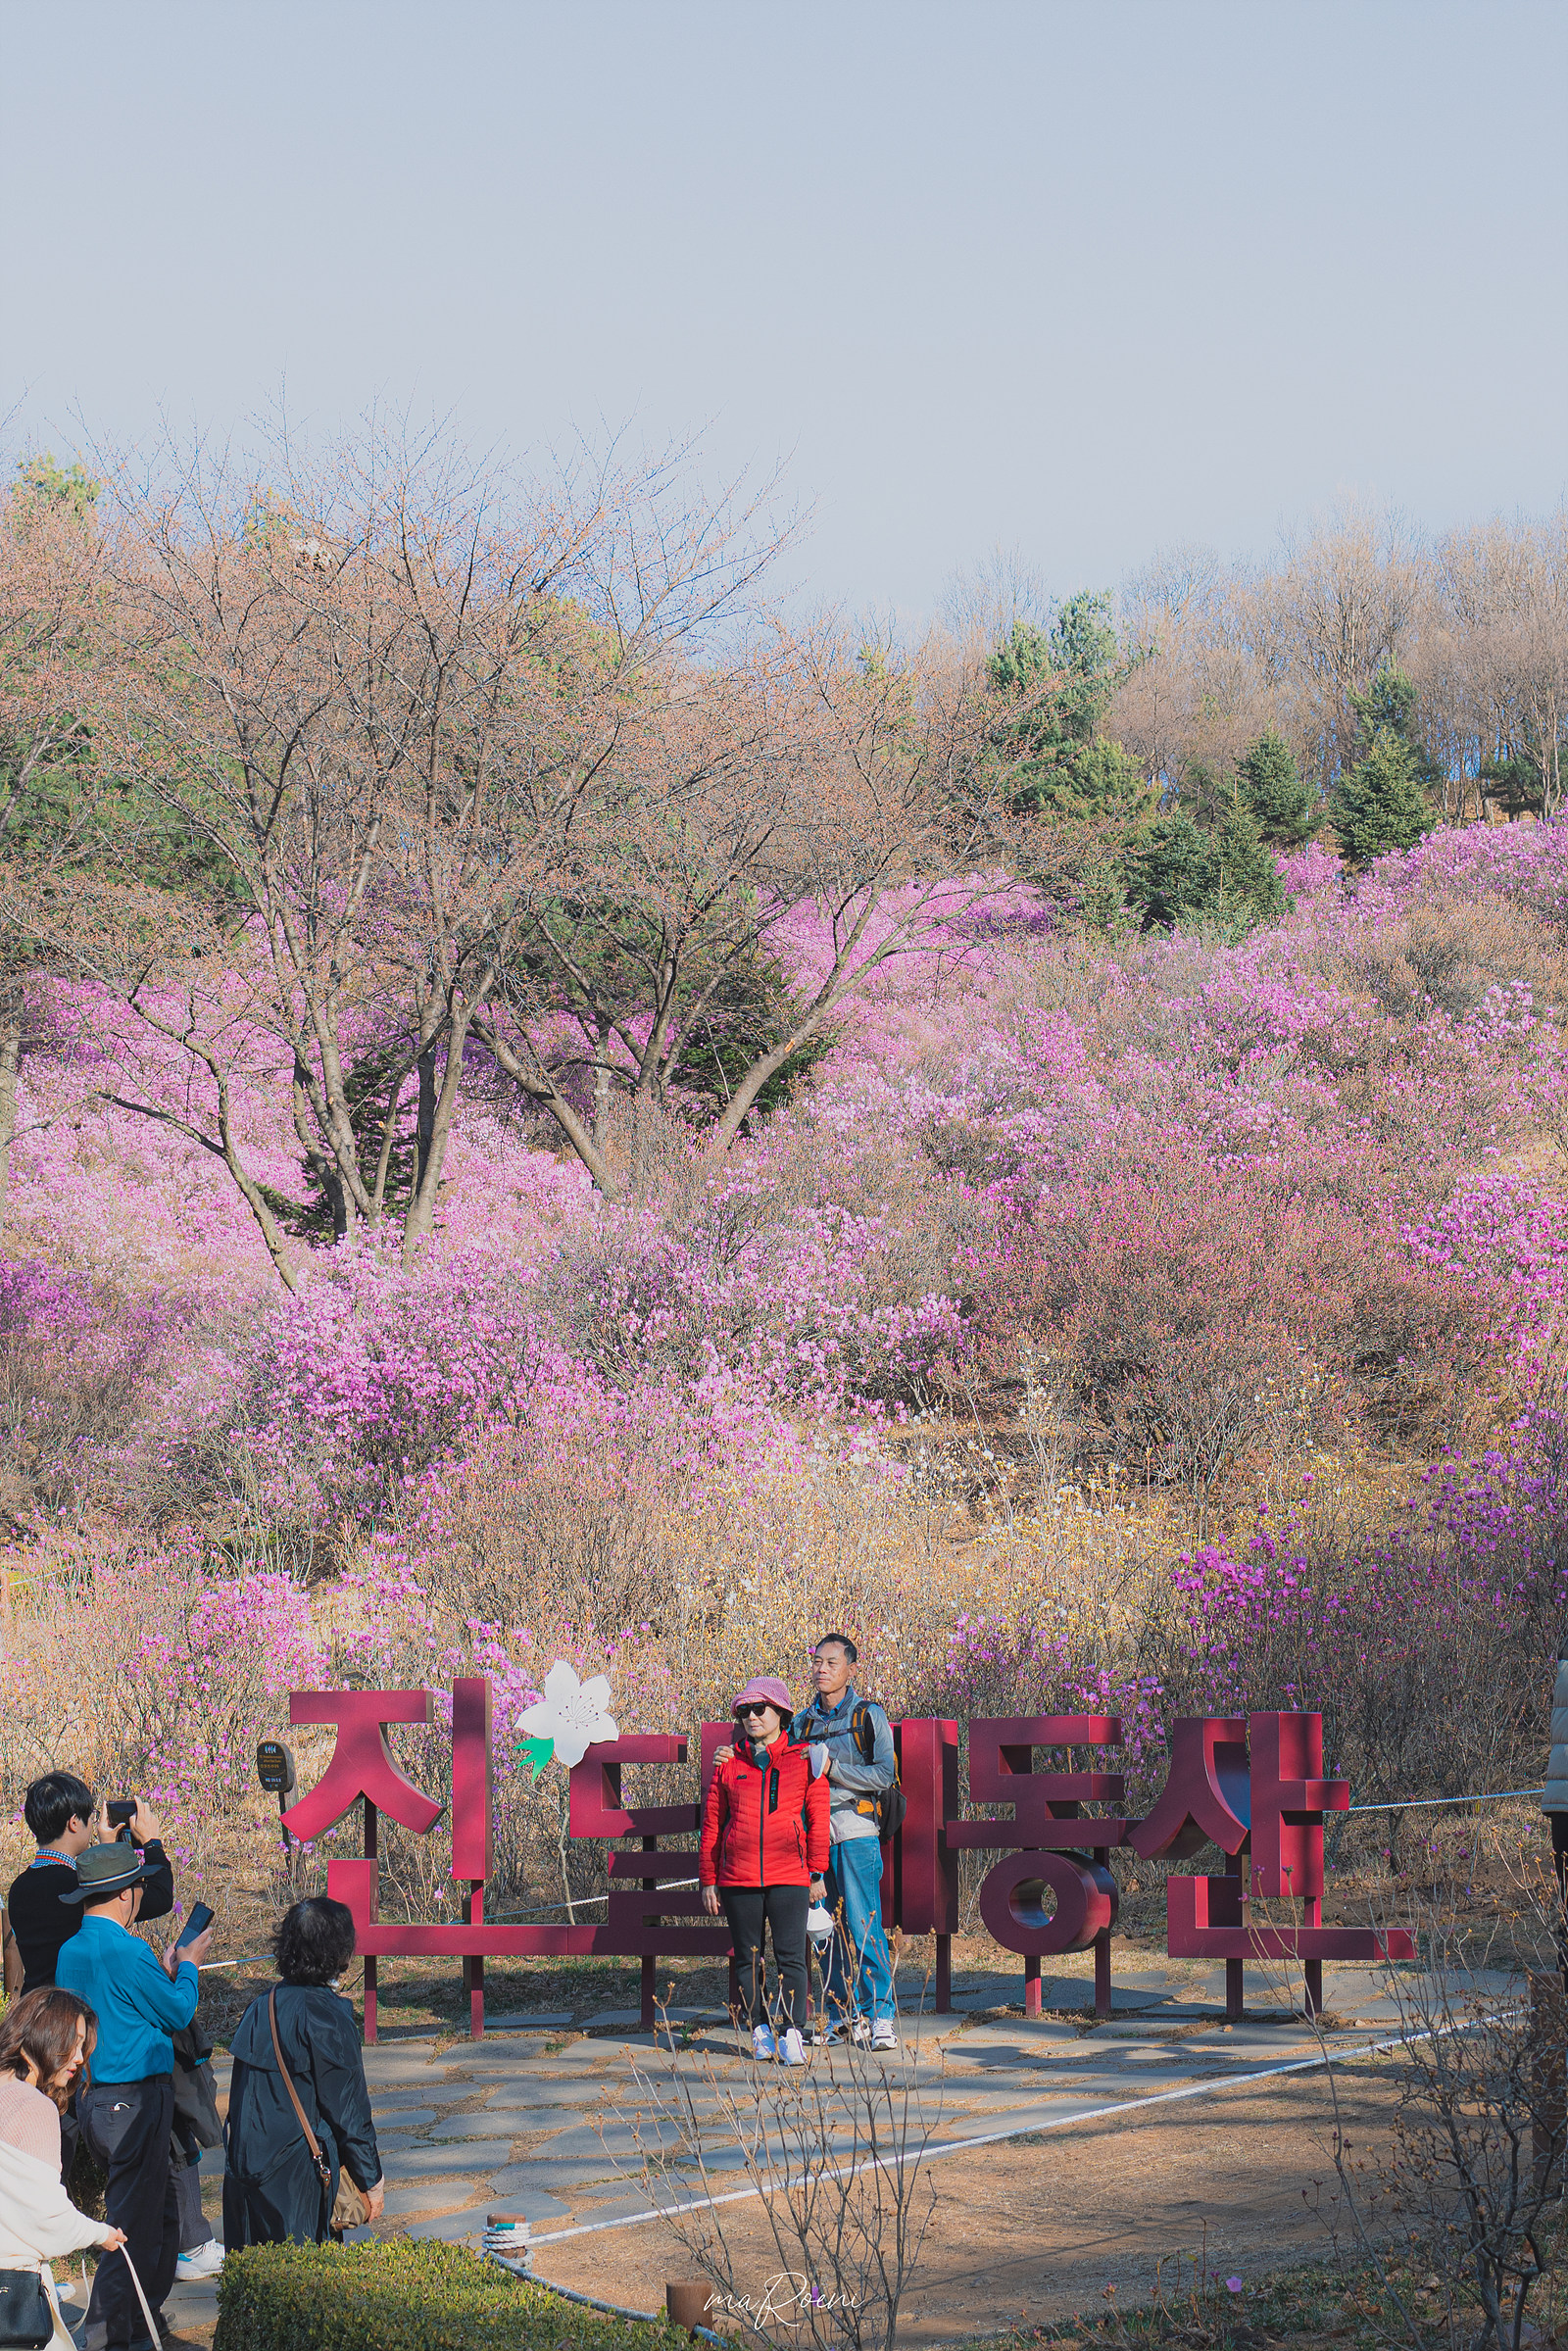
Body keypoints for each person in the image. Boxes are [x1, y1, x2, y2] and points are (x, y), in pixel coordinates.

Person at [54, 1841, 211, 2351]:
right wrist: (188, 1965)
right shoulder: (127, 1951)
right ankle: (105, 2338)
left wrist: (160, 1976)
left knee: (159, 2217)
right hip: (135, 2104)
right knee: (129, 2230)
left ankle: (141, 2323)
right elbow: (177, 2011)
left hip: (96, 2101)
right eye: (139, 1887)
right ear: (125, 1894)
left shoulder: (70, 1952)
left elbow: (123, 2005)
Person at [222, 1899, 385, 2248]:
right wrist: (371, 2181)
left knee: (253, 2273)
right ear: (339, 1950)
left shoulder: (260, 2005)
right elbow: (348, 2111)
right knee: (305, 2272)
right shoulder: (328, 2016)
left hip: (244, 2169)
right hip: (298, 2176)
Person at [699, 1676, 830, 2067]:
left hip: (790, 1875)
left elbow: (818, 1819)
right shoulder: (728, 1763)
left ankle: (792, 2034)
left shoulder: (805, 1758)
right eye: (744, 1711)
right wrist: (708, 1879)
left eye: (760, 1709)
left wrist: (816, 1873)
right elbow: (712, 1825)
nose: (752, 1717)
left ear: (781, 1713)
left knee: (791, 1958)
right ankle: (759, 2031)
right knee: (747, 1958)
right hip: (738, 1878)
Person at [791, 1633, 900, 2050]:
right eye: (817, 1661)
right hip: (813, 1838)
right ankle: (841, 2017)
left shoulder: (868, 1715)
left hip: (856, 1832)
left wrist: (831, 1767)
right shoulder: (801, 1723)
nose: (821, 1669)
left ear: (851, 1669)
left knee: (863, 1926)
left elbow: (884, 1775)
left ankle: (880, 2017)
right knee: (823, 1931)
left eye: (831, 1663)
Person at [0, 1988, 124, 2351]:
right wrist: (100, 2233)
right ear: (44, 2034)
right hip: (12, 2297)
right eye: (73, 2043)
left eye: (82, 2046)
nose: (79, 2058)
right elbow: (49, 2219)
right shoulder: (32, 2106)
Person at [7, 1780, 173, 1998]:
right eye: (90, 1819)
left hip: (33, 2006)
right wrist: (152, 1843)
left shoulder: (18, 1888)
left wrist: (107, 1851)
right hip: (73, 2009)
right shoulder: (79, 1888)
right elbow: (160, 1898)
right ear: (74, 1822)